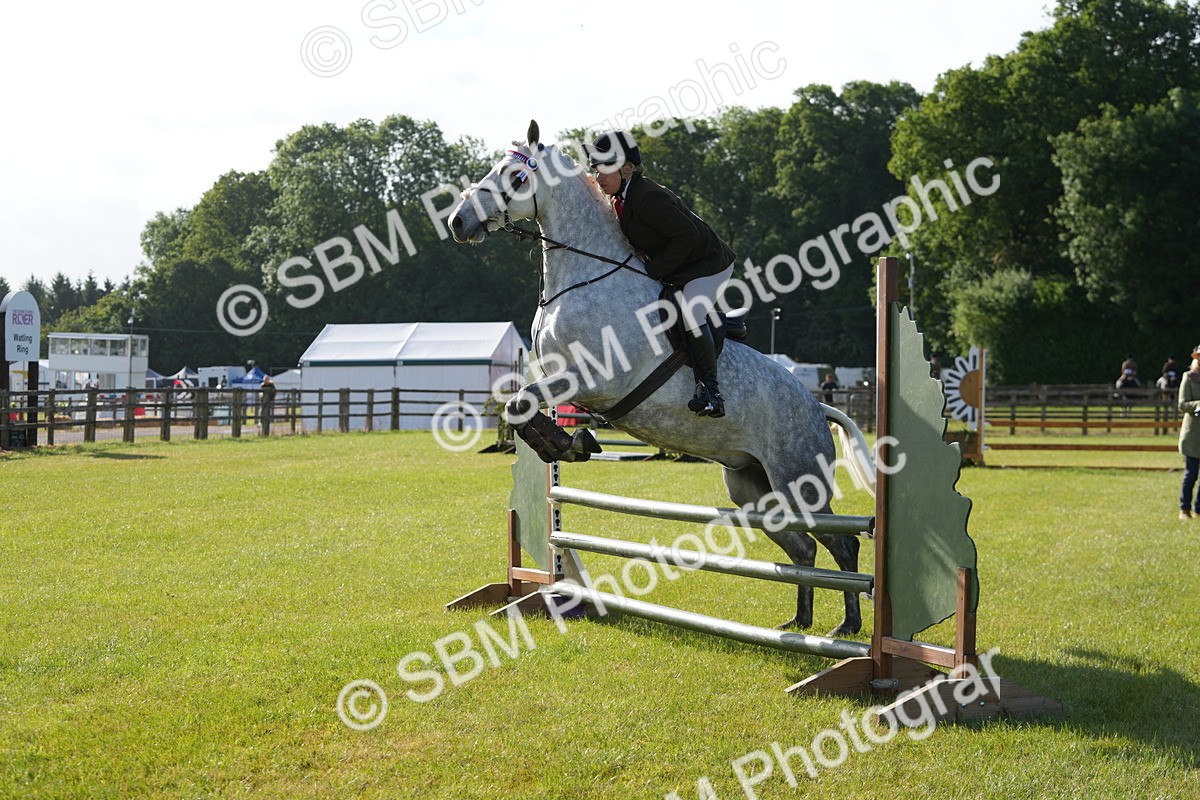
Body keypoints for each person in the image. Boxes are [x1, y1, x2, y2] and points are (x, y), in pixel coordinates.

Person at [584, 130, 736, 418]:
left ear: (627, 168)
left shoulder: (648, 197)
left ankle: (711, 391)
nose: (599, 176)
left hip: (709, 264)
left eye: (604, 168)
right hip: (682, 265)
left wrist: (654, 270)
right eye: (595, 168)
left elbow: (687, 237)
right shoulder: (621, 198)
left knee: (690, 311)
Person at [1178, 345, 1200, 520]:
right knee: (1191, 474)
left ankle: (1198, 509)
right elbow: (1182, 404)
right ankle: (1184, 509)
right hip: (1193, 434)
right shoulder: (1188, 377)